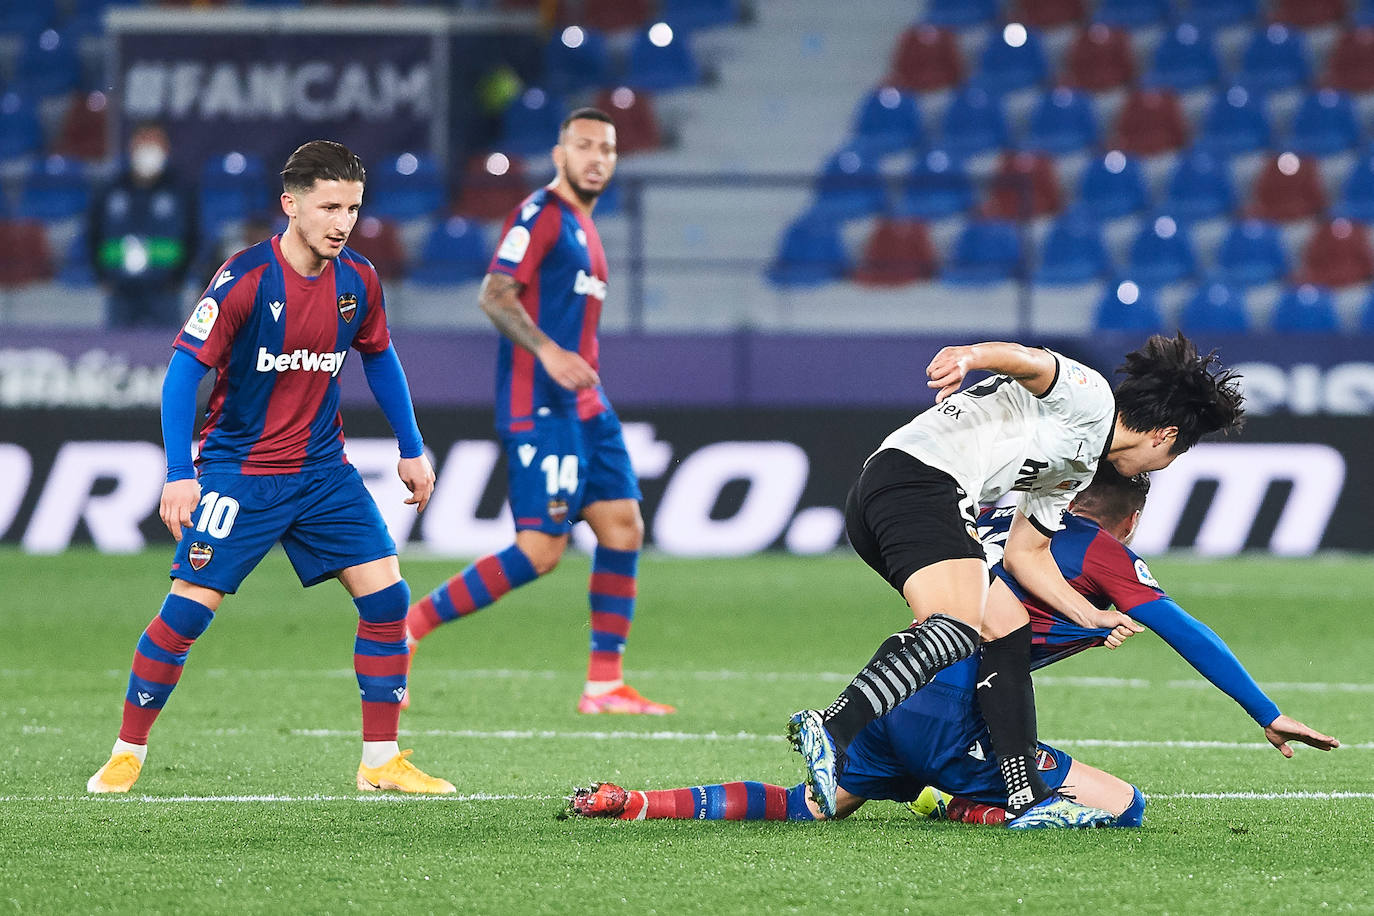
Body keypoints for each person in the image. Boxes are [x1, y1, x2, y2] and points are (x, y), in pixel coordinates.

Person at [567, 465, 1339, 824]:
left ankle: (635, 801)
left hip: (898, 681)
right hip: (955, 716)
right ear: (1128, 521)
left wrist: (1080, 624)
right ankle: (962, 801)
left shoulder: (1012, 526)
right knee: (1126, 809)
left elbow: (1010, 606)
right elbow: (1188, 631)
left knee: (812, 805)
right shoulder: (1098, 546)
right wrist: (1266, 712)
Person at [86, 140, 454, 795]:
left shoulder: (359, 281)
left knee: (388, 601)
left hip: (322, 474)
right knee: (189, 612)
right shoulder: (245, 280)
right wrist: (180, 471)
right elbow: (181, 375)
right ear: (291, 205)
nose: (343, 222)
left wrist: (410, 446)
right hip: (240, 473)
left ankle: (380, 761)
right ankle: (127, 751)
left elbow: (380, 357)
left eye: (353, 208)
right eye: (329, 207)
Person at [787, 335, 1246, 827]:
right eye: (1174, 456)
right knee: (957, 627)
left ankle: (1027, 795)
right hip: (922, 480)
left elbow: (1027, 555)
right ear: (1164, 435)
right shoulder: (1092, 400)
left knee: (1005, 622)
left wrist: (1088, 613)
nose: (1163, 468)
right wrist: (970, 357)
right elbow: (1031, 361)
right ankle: (833, 728)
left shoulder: (1078, 462)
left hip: (892, 491)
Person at [404, 108, 673, 716]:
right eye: (584, 146)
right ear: (559, 154)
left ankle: (604, 684)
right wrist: (549, 352)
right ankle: (408, 628)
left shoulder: (586, 228)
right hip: (540, 404)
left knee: (623, 526)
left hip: (586, 404)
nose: (596, 157)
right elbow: (494, 294)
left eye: (606, 148)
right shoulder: (541, 215)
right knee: (541, 551)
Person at [89, 122, 199, 328]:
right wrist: (102, 275)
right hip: (120, 292)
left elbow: (193, 236)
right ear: (131, 146)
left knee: (166, 354)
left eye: (154, 141)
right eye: (143, 141)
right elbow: (94, 233)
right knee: (115, 354)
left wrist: (179, 277)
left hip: (165, 292)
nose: (148, 148)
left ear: (166, 149)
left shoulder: (181, 191)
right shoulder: (111, 189)